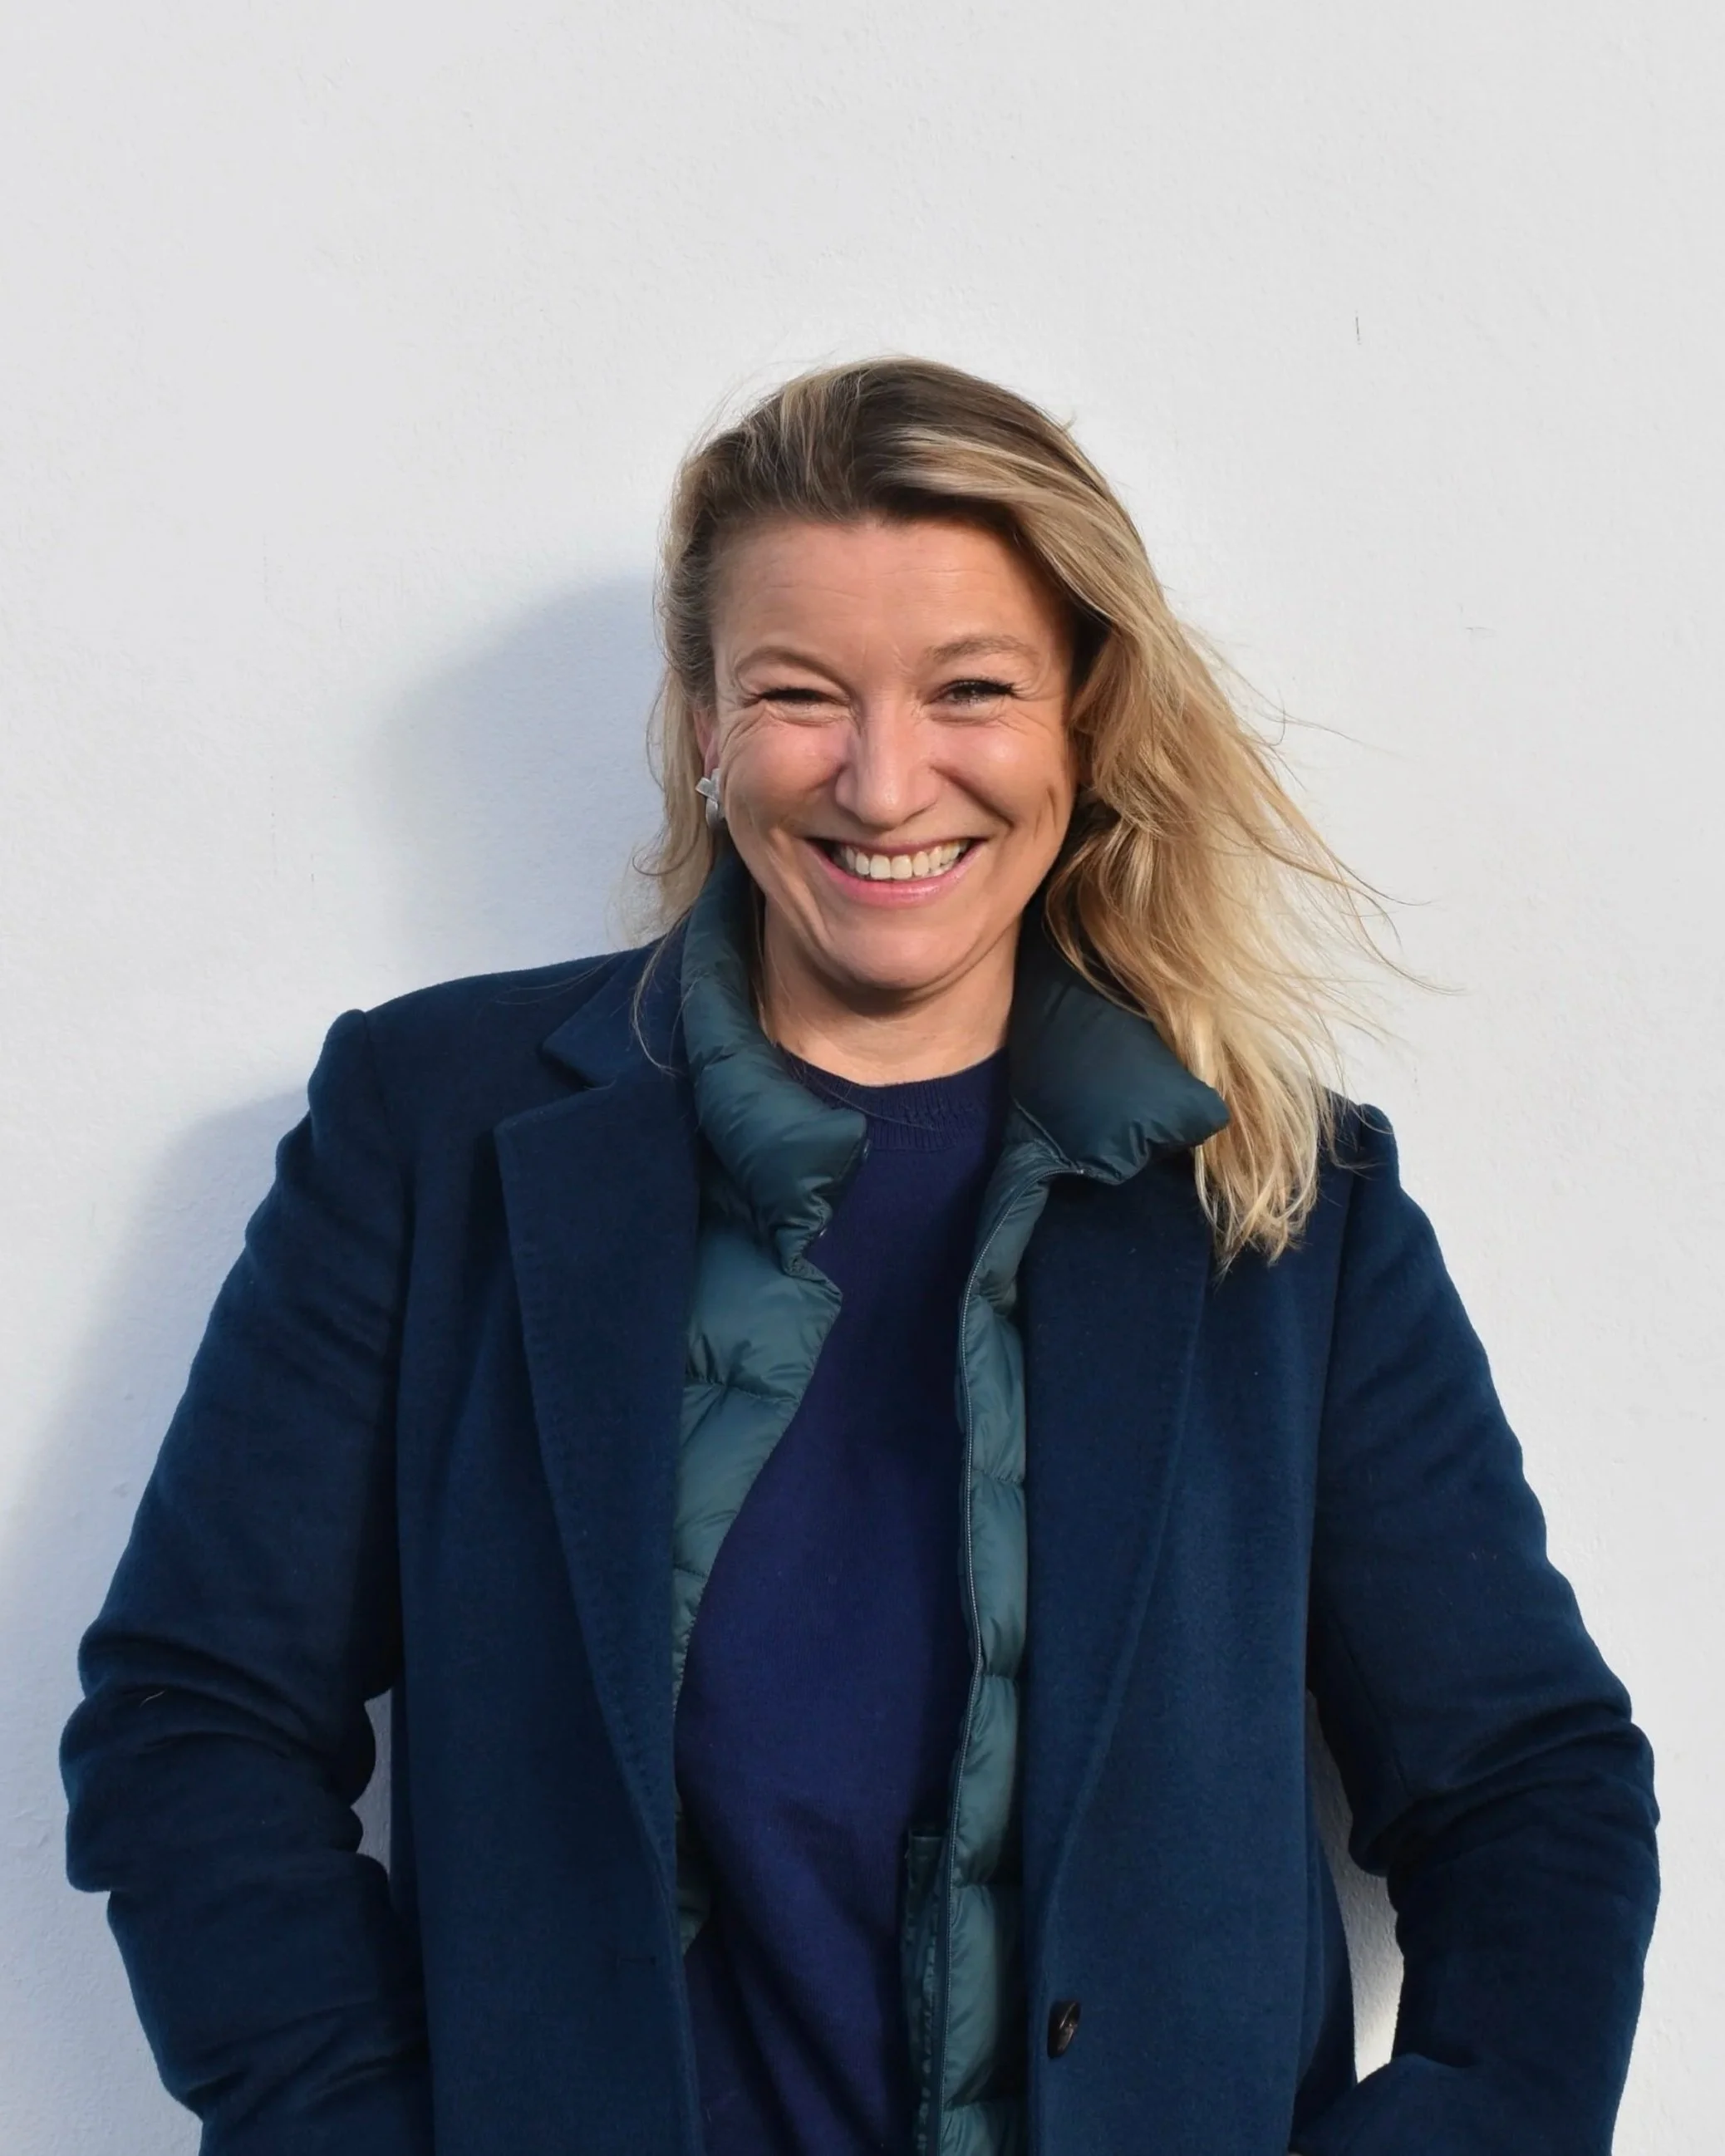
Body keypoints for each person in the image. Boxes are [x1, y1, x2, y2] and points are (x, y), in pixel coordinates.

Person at [61, 357, 1658, 2156]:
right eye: (801, 694)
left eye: (971, 689)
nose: (886, 781)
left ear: (1082, 716)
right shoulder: (433, 1132)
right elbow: (193, 1719)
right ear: (702, 718)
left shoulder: (1282, 1197)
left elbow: (1529, 1781)